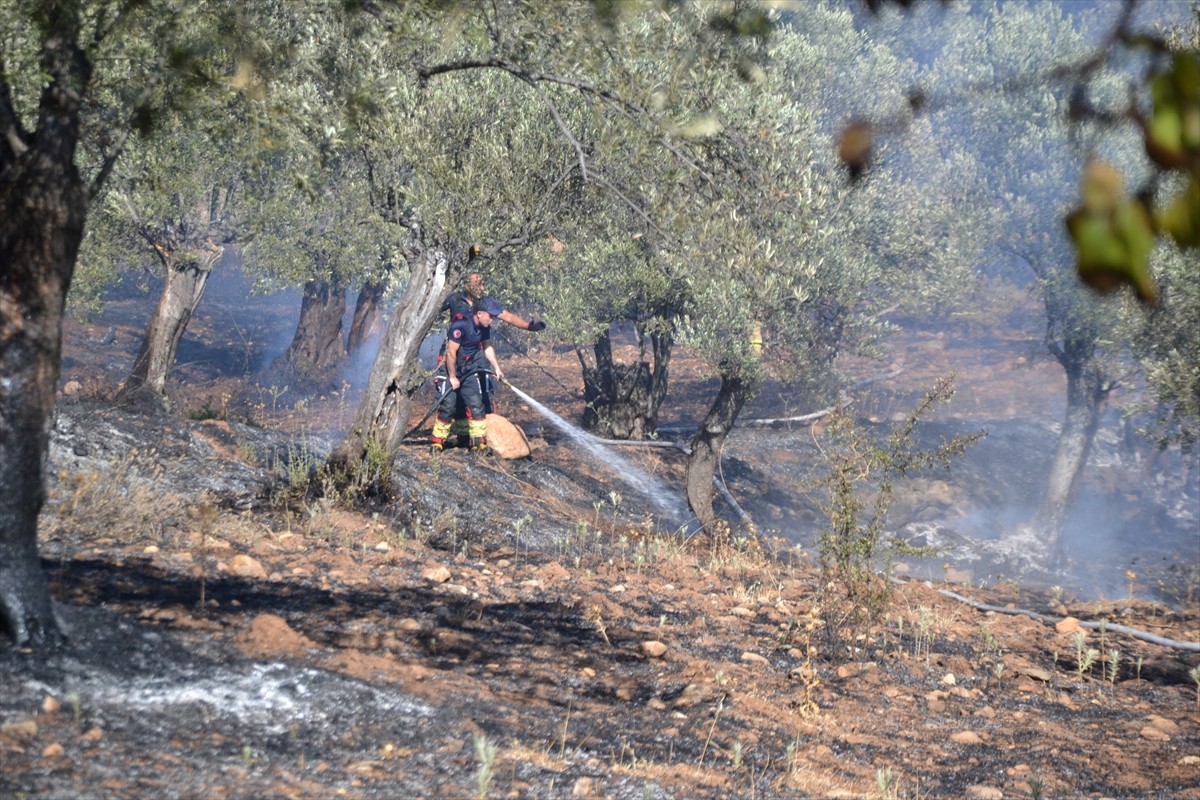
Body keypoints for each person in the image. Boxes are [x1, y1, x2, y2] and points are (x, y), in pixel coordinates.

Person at [430, 302, 504, 455]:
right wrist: (452, 377)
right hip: (449, 368)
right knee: (449, 404)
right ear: (479, 314)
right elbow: (451, 353)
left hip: (467, 369)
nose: (492, 320)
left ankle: (479, 443)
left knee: (476, 403)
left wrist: (496, 367)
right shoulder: (461, 326)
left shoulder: (484, 329)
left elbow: (488, 348)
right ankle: (437, 443)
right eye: (490, 316)